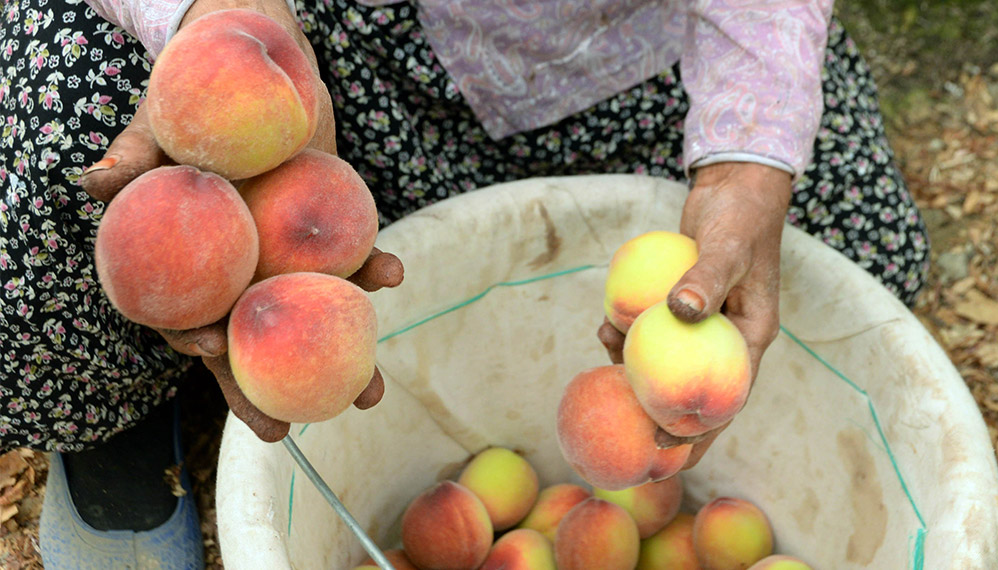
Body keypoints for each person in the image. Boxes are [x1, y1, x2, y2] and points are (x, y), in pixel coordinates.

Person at [0, 0, 929, 566]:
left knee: (841, 261)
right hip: (338, 44)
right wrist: (224, 18)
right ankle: (127, 413)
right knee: (60, 181)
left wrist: (743, 165)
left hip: (629, 57)